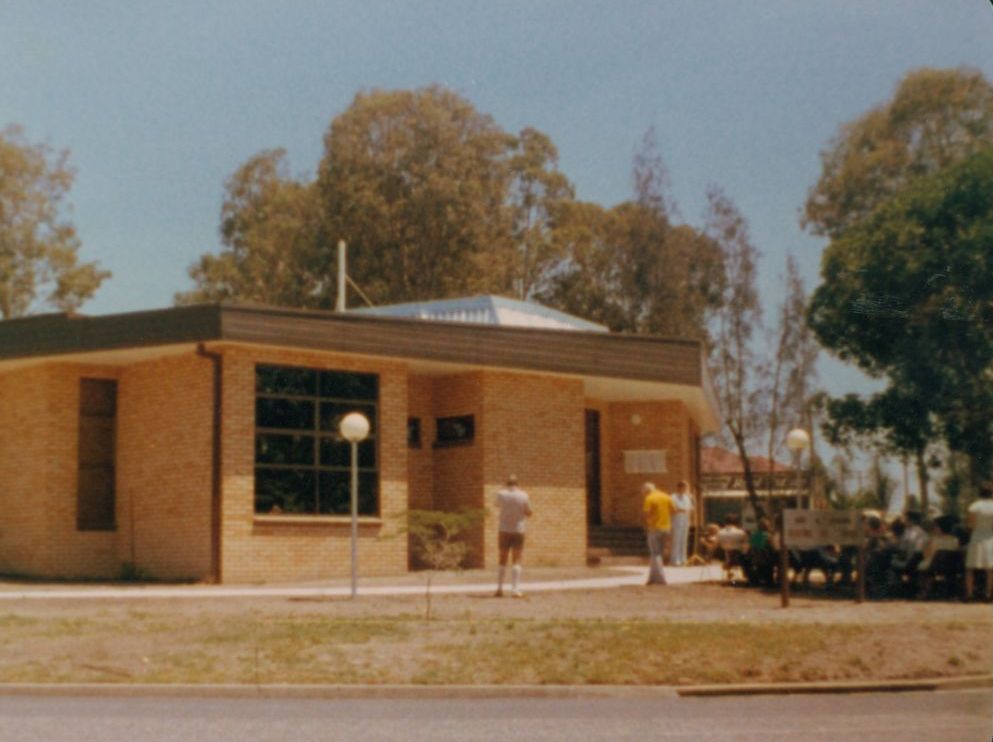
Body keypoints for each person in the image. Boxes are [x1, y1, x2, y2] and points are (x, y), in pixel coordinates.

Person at [494, 475, 532, 598]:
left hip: (504, 529)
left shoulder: (501, 494)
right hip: (518, 529)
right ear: (517, 484)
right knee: (516, 559)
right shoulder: (523, 495)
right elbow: (529, 512)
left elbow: (496, 505)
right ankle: (515, 589)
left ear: (507, 483)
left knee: (502, 558)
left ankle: (499, 588)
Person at [964, 482, 993, 602]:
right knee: (990, 568)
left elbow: (970, 525)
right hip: (990, 537)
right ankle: (988, 594)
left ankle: (970, 594)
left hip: (977, 537)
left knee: (970, 568)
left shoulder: (974, 507)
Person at [642, 482, 674, 585]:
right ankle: (652, 578)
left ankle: (660, 578)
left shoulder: (649, 498)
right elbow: (674, 510)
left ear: (646, 490)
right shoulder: (666, 496)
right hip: (666, 528)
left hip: (654, 528)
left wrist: (646, 525)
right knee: (658, 554)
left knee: (655, 553)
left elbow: (646, 513)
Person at [670, 480, 695, 566]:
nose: (685, 490)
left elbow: (691, 508)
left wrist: (692, 499)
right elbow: (673, 508)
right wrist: (682, 509)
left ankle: (683, 559)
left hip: (685, 520)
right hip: (677, 520)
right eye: (684, 488)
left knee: (684, 540)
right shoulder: (673, 497)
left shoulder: (687, 497)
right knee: (677, 540)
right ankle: (675, 559)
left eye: (686, 488)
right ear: (679, 488)